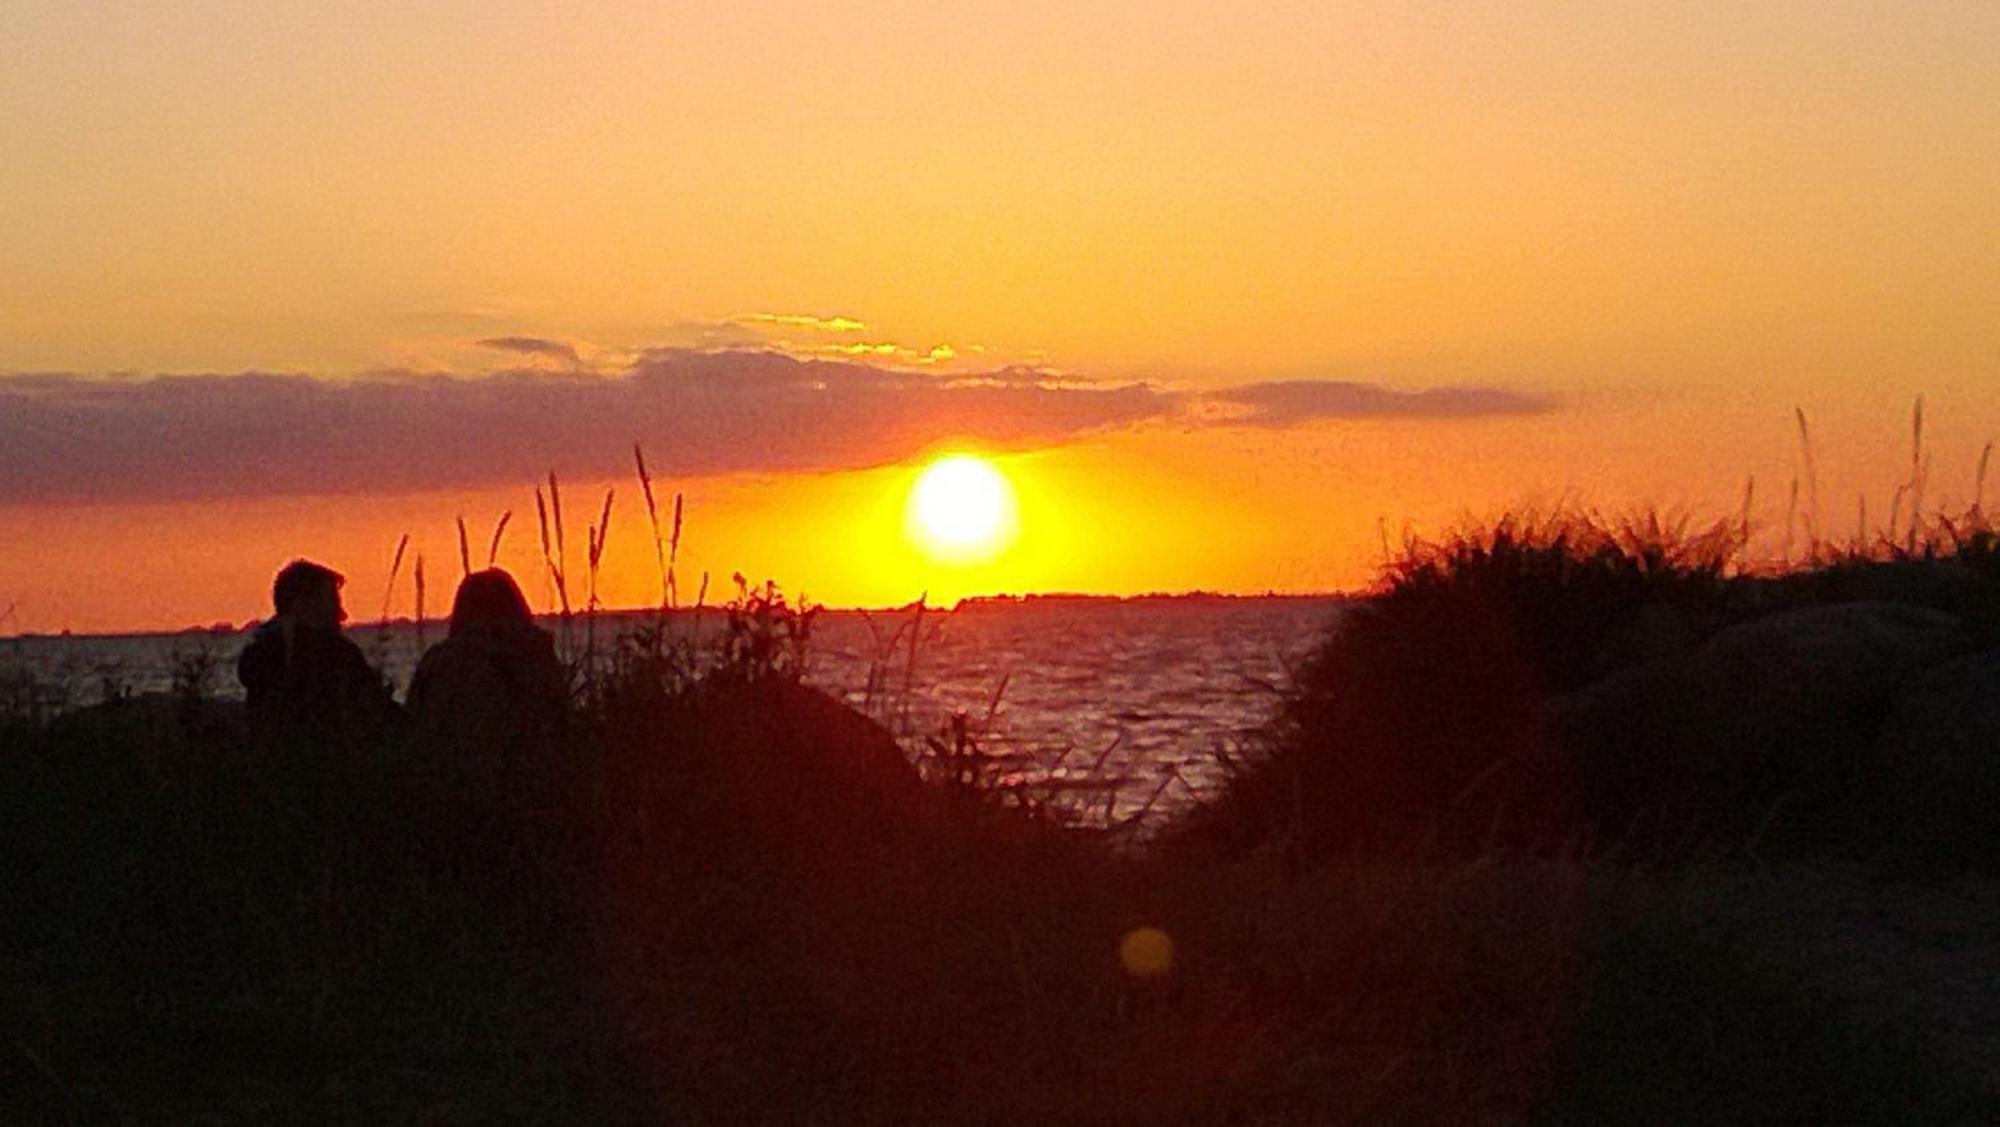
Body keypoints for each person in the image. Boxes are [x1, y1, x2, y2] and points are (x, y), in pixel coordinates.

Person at [406, 569, 566, 765]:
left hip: (449, 779)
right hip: (530, 778)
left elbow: (414, 728)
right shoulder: (536, 656)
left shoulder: (439, 662)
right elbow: (559, 724)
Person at [237, 558, 397, 737]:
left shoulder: (263, 651)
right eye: (330, 603)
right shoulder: (273, 656)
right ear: (300, 606)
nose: (342, 615)